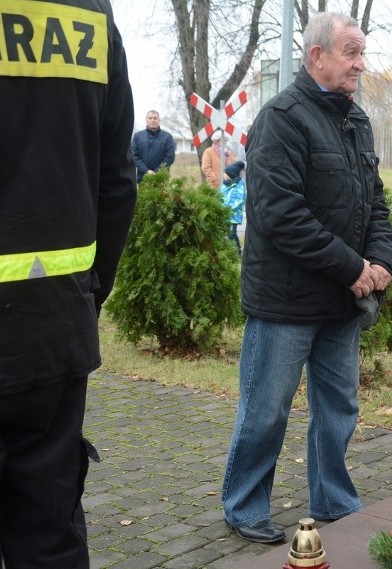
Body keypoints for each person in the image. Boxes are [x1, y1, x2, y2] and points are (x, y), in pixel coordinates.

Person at [221, 12, 392, 544]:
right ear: (315, 55)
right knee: (266, 408)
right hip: (286, 304)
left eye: (362, 53)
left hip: (342, 303)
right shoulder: (281, 118)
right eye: (350, 51)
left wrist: (382, 261)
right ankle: (245, 505)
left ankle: (334, 499)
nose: (360, 64)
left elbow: (376, 202)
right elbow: (281, 216)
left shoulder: (355, 119)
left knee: (339, 409)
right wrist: (354, 269)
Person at [0, 1, 136, 567]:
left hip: (56, 325)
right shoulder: (88, 12)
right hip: (54, 329)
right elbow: (116, 181)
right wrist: (84, 292)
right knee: (48, 535)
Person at [131, 109, 176, 182]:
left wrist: (156, 172)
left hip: (161, 178)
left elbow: (170, 157)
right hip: (142, 178)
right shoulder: (138, 136)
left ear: (159, 120)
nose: (152, 120)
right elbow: (134, 156)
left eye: (155, 118)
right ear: (146, 120)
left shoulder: (167, 137)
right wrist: (146, 171)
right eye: (150, 118)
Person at [220, 161, 247, 256]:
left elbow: (239, 200)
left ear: (231, 175)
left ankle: (237, 250)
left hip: (233, 215)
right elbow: (220, 197)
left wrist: (228, 208)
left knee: (232, 233)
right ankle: (228, 250)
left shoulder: (239, 186)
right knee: (226, 233)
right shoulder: (224, 185)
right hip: (224, 213)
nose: (223, 175)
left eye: (225, 173)